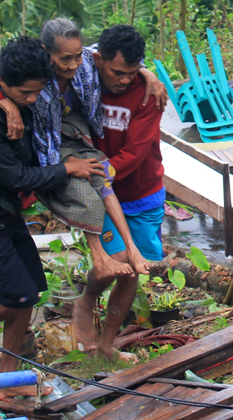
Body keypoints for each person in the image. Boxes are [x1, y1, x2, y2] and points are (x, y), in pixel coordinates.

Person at [0, 37, 105, 395]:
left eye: (38, 92)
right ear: (2, 83)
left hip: (4, 212)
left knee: (31, 290)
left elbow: (90, 53)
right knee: (17, 294)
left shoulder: (20, 93)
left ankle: (8, 380)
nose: (33, 100)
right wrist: (67, 168)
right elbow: (16, 177)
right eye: (25, 94)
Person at [0, 18, 164, 281]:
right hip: (53, 149)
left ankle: (136, 267)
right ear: (47, 53)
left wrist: (146, 72)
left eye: (76, 57)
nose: (72, 65)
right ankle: (100, 259)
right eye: (64, 59)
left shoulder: (93, 66)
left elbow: (111, 55)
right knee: (88, 193)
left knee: (103, 181)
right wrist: (7, 104)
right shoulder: (35, 72)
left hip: (101, 155)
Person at [72, 24, 166, 360]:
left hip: (141, 190)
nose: (125, 80)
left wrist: (97, 172)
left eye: (131, 71)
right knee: (117, 260)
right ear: (98, 60)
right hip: (100, 194)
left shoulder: (148, 93)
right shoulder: (83, 81)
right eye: (117, 72)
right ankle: (85, 300)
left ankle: (107, 345)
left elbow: (136, 152)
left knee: (133, 271)